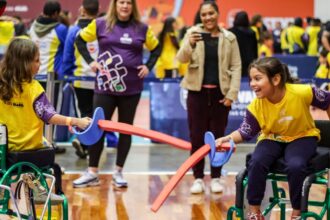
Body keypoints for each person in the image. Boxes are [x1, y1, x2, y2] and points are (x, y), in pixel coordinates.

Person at [215, 57, 330, 220]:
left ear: (276, 79)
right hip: (271, 138)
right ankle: (254, 211)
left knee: (296, 165)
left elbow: (327, 101)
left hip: (302, 137)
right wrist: (228, 138)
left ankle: (297, 212)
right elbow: (245, 131)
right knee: (256, 161)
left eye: (257, 79)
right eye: (251, 79)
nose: (252, 84)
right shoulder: (255, 106)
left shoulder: (301, 92)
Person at [73, 0, 160, 188]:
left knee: (125, 129)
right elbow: (79, 40)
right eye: (121, 2)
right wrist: (91, 62)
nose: (125, 6)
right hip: (104, 87)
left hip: (132, 88)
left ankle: (119, 172)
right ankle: (92, 172)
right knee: (98, 127)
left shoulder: (142, 28)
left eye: (129, 2)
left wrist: (149, 66)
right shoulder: (100, 24)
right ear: (115, 4)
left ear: (132, 6)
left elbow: (156, 48)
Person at [0, 38, 91, 201]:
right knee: (46, 146)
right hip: (27, 152)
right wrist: (75, 121)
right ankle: (33, 182)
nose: (39, 64)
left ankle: (7, 185)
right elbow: (49, 116)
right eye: (36, 60)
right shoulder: (33, 88)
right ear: (24, 63)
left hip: (3, 151)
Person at [176, 1, 241, 194]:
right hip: (197, 94)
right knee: (196, 137)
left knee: (219, 138)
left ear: (218, 14)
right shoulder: (192, 33)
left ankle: (215, 177)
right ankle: (197, 178)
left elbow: (237, 66)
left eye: (211, 13)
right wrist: (190, 43)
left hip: (221, 95)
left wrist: (231, 94)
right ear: (200, 16)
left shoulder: (229, 37)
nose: (208, 18)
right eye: (204, 15)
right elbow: (181, 58)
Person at [61, 0, 99, 159]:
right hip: (100, 80)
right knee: (98, 115)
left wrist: (68, 75)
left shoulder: (74, 30)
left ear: (82, 9)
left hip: (79, 80)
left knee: (84, 114)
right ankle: (90, 147)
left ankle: (85, 144)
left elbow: (67, 56)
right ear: (97, 11)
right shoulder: (102, 28)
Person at [29, 0, 68, 154]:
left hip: (33, 76)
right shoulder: (61, 29)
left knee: (35, 111)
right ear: (56, 14)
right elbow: (68, 50)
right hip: (52, 77)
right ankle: (51, 143)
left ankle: (37, 141)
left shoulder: (32, 26)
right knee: (52, 111)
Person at [229, 10, 258, 77]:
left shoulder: (230, 32)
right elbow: (255, 49)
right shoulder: (252, 32)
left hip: (234, 62)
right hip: (249, 63)